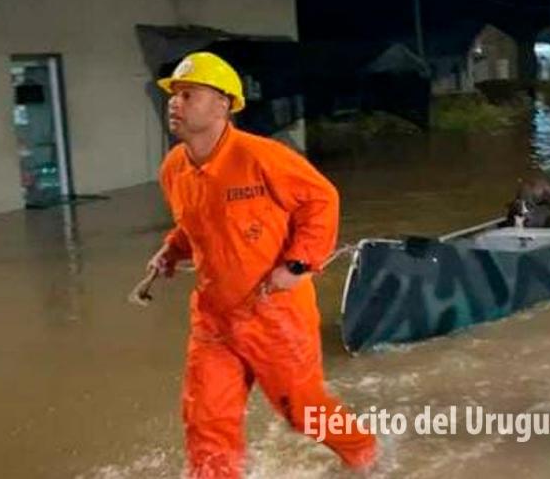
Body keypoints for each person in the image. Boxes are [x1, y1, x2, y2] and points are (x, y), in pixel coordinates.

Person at [146, 52, 377, 478]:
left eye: (188, 94)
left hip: (274, 313)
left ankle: (366, 455)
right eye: (173, 96)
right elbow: (194, 224)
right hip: (215, 318)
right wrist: (172, 251)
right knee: (205, 421)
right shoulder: (173, 169)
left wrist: (298, 264)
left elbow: (321, 200)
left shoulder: (262, 157)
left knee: (304, 412)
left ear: (223, 104)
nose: (175, 104)